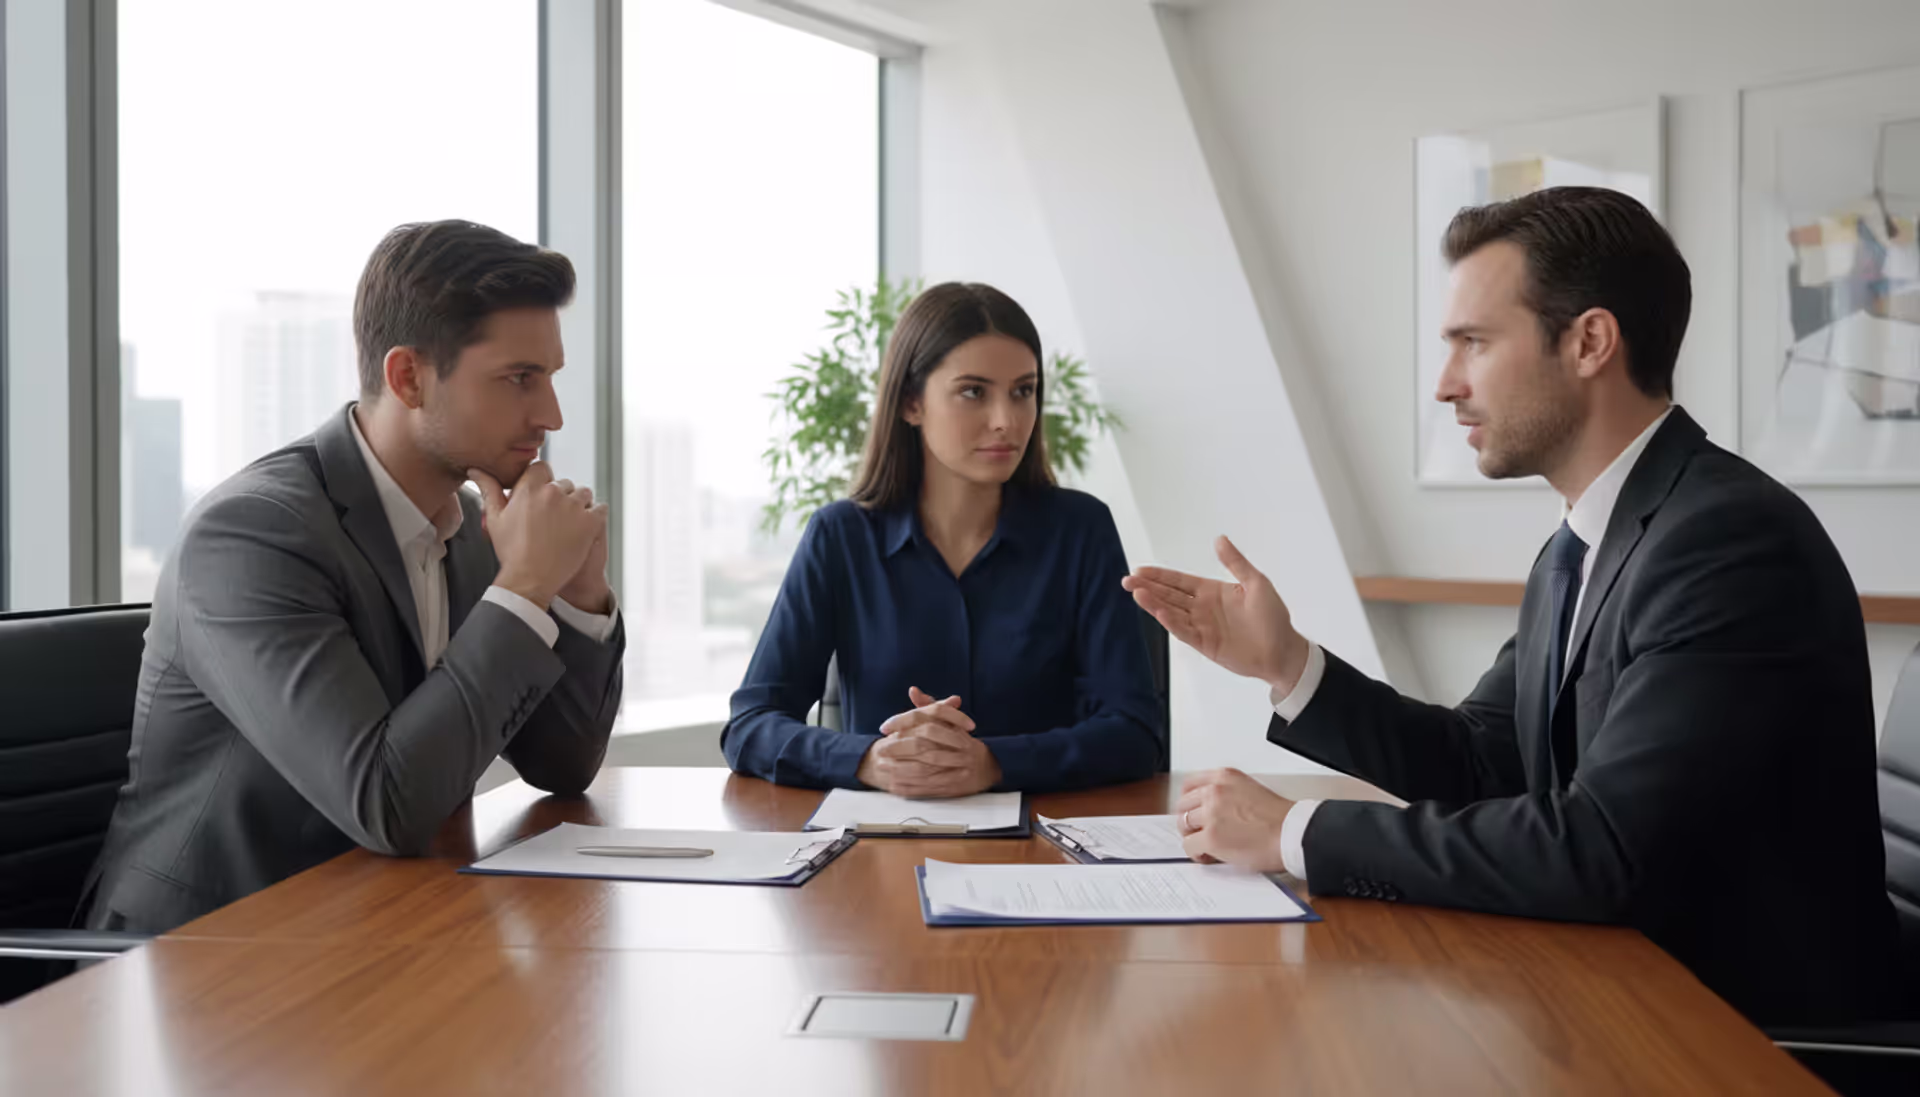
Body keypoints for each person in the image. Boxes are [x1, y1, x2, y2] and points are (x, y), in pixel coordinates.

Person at [1126, 187, 1898, 1027]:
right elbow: (1481, 763)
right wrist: (1287, 665)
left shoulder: (1728, 543)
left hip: (1743, 1034)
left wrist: (1293, 833)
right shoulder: (1586, 540)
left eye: (1473, 343)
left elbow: (1604, 850)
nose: (1445, 384)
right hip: (1618, 992)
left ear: (1590, 342)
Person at [86, 220, 625, 934]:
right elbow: (387, 802)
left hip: (369, 930)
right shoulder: (252, 535)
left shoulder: (471, 531)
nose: (550, 415)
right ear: (407, 378)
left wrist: (578, 590)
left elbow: (563, 764)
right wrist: (523, 588)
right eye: (519, 378)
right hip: (203, 965)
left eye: (550, 377)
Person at [723, 282, 1161, 796]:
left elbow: (1136, 732)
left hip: (1044, 851)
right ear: (911, 402)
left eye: (1023, 391)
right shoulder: (840, 536)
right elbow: (751, 725)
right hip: (880, 849)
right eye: (974, 391)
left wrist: (994, 763)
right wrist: (866, 759)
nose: (1007, 420)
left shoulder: (1081, 530)